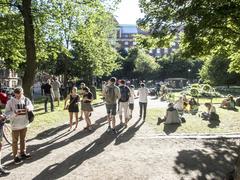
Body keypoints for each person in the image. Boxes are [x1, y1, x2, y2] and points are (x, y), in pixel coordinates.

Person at [5, 87, 33, 164]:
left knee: (23, 139)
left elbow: (31, 106)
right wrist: (14, 113)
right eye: (16, 95)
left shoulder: (26, 99)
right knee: (15, 141)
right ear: (14, 94)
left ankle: (23, 153)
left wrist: (28, 108)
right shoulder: (10, 102)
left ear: (22, 93)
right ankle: (16, 157)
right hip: (15, 125)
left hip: (24, 123)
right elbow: (6, 113)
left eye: (19, 95)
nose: (18, 97)